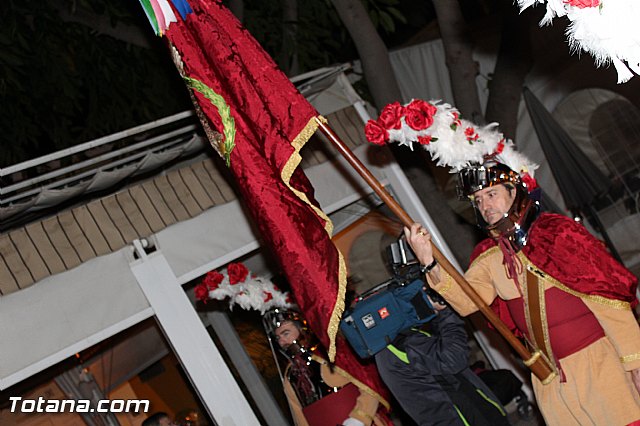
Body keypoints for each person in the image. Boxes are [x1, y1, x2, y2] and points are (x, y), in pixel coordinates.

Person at [405, 162, 640, 425]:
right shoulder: (488, 257)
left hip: (601, 364)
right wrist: (429, 262)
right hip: (550, 380)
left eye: (491, 194)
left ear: (514, 193)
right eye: (479, 200)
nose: (485, 206)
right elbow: (467, 302)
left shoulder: (556, 233)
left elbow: (607, 299)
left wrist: (635, 362)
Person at [375, 293, 510, 425]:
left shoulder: (384, 348)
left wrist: (433, 312)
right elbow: (454, 358)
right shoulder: (404, 344)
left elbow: (436, 359)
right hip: (466, 415)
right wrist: (445, 312)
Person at [263, 308, 387, 426]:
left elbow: (369, 385)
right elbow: (300, 417)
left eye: (286, 333)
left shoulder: (331, 353)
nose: (282, 342)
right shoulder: (290, 375)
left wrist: (359, 419)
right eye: (278, 338)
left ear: (302, 329)